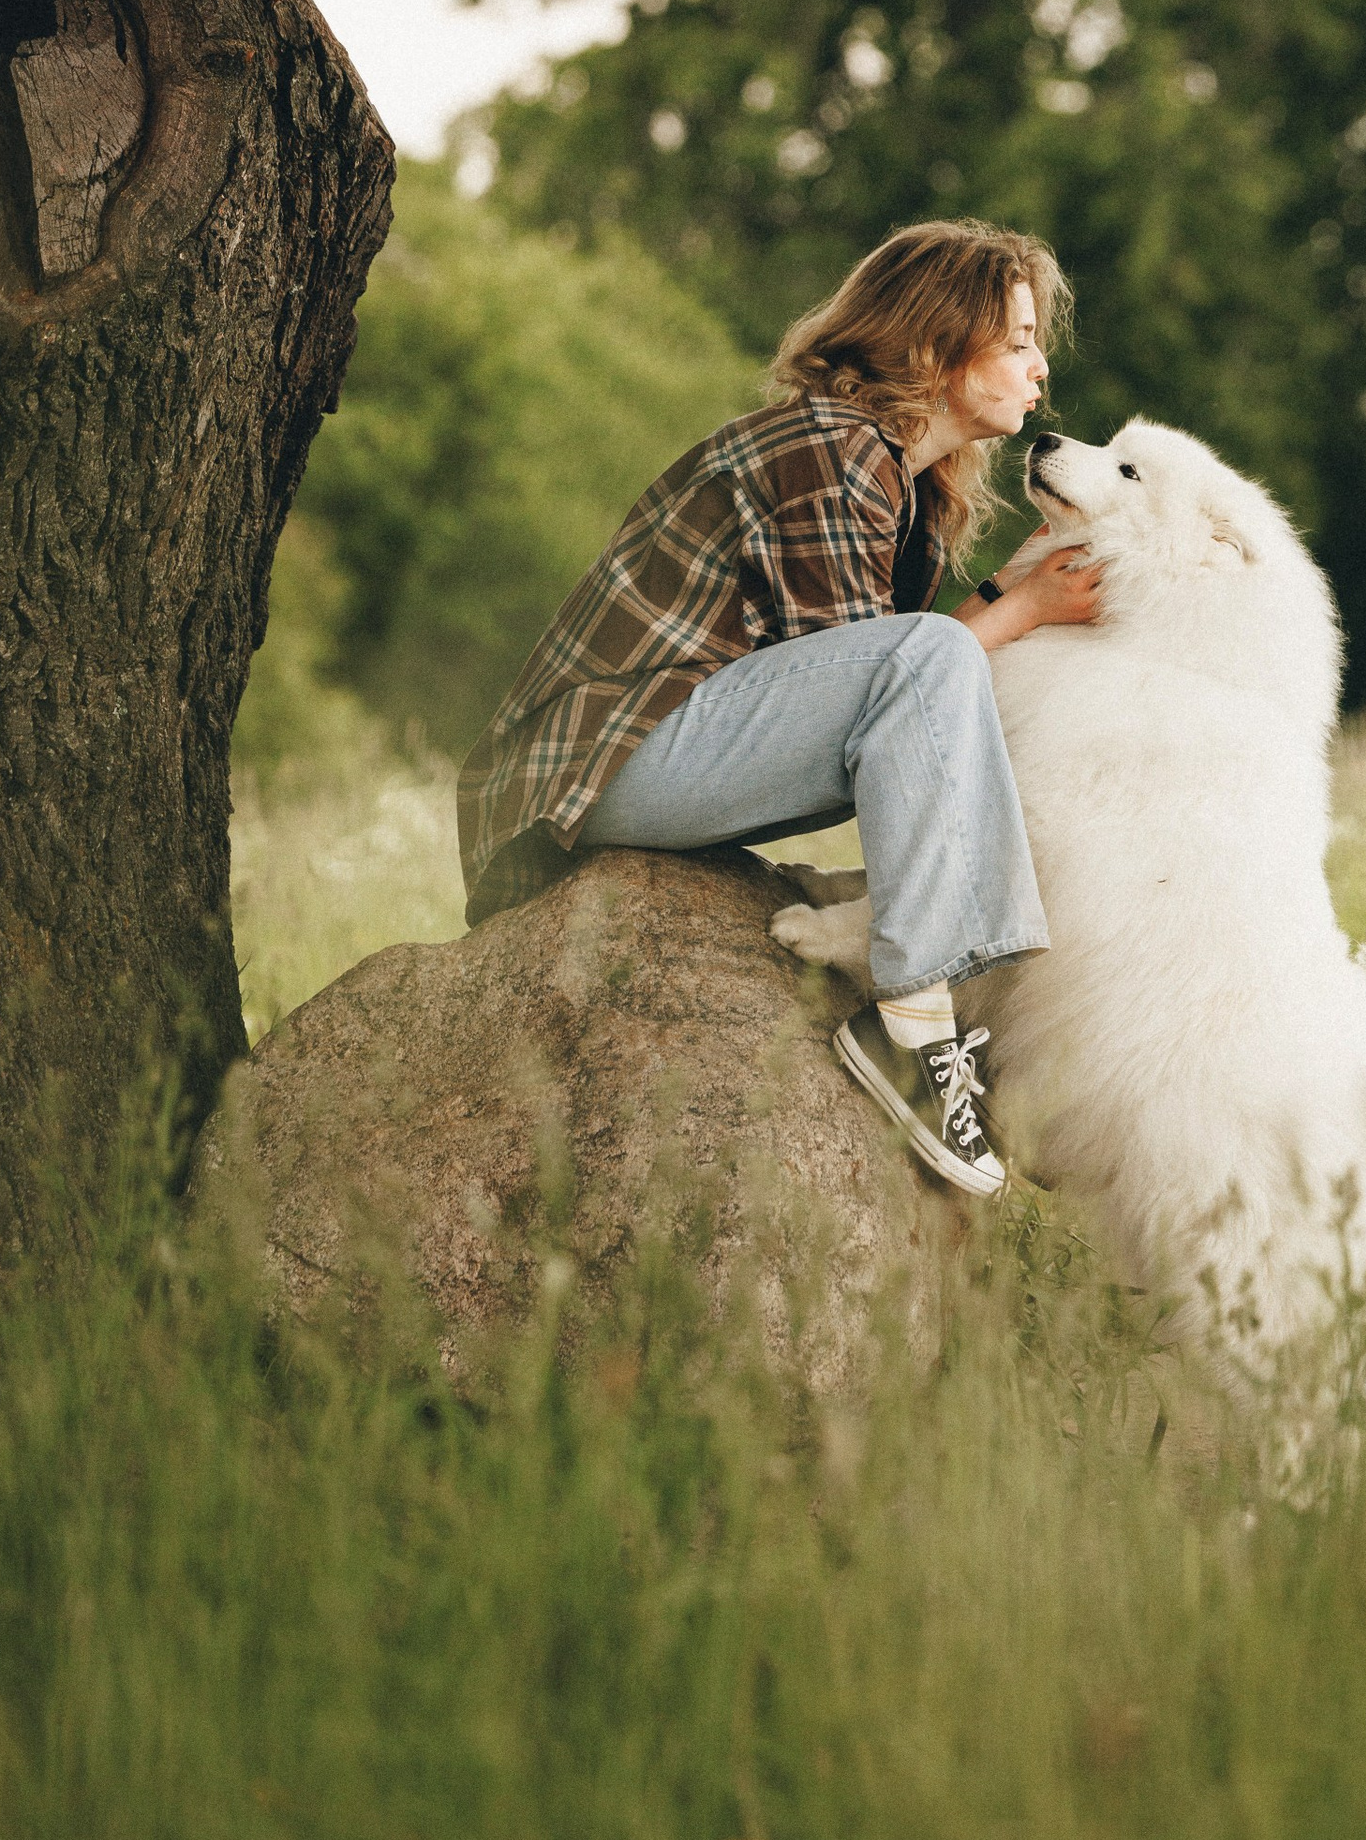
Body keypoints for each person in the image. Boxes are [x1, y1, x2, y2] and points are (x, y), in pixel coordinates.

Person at [454, 218, 1101, 1195]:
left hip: (655, 757)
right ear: (932, 345)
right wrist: (1018, 609)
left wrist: (1015, 596)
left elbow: (879, 675)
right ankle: (916, 1026)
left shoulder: (897, 482)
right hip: (597, 765)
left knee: (934, 661)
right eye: (1016, 341)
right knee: (929, 661)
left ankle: (950, 998)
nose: (1038, 367)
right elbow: (872, 679)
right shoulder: (833, 445)